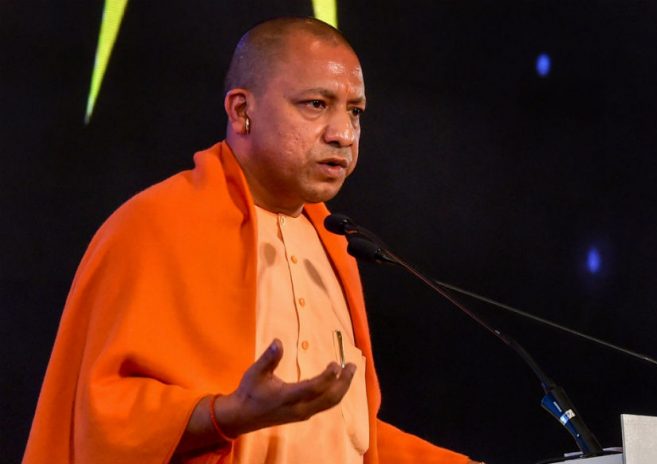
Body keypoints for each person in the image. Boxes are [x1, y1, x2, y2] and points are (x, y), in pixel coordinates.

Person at [23, 17, 483, 464]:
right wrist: (225, 415)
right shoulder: (153, 226)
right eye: (316, 104)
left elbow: (342, 436)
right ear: (242, 111)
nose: (343, 134)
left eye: (355, 111)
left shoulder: (334, 247)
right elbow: (102, 419)